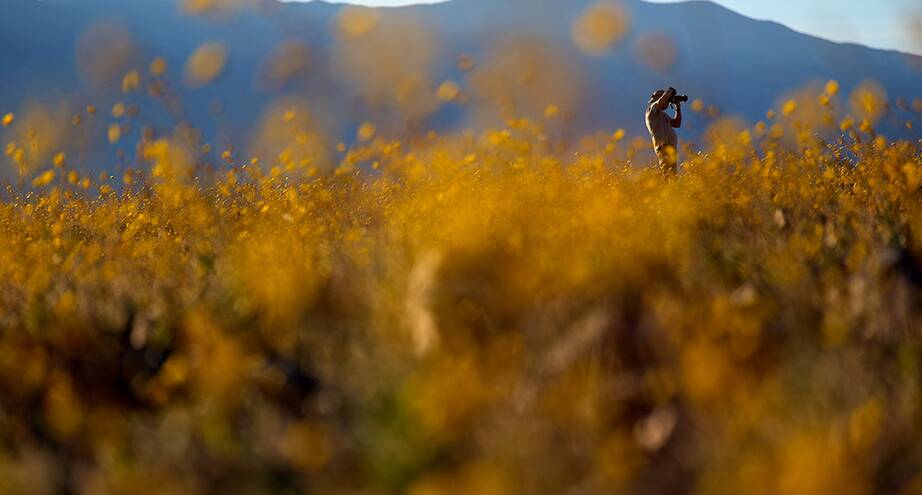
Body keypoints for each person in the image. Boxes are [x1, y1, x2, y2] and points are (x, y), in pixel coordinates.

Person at [646, 87, 682, 176]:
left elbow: (676, 123)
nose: (668, 103)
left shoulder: (663, 115)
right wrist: (671, 91)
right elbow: (661, 101)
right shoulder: (652, 109)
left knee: (673, 175)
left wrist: (678, 108)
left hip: (671, 148)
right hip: (663, 147)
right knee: (667, 173)